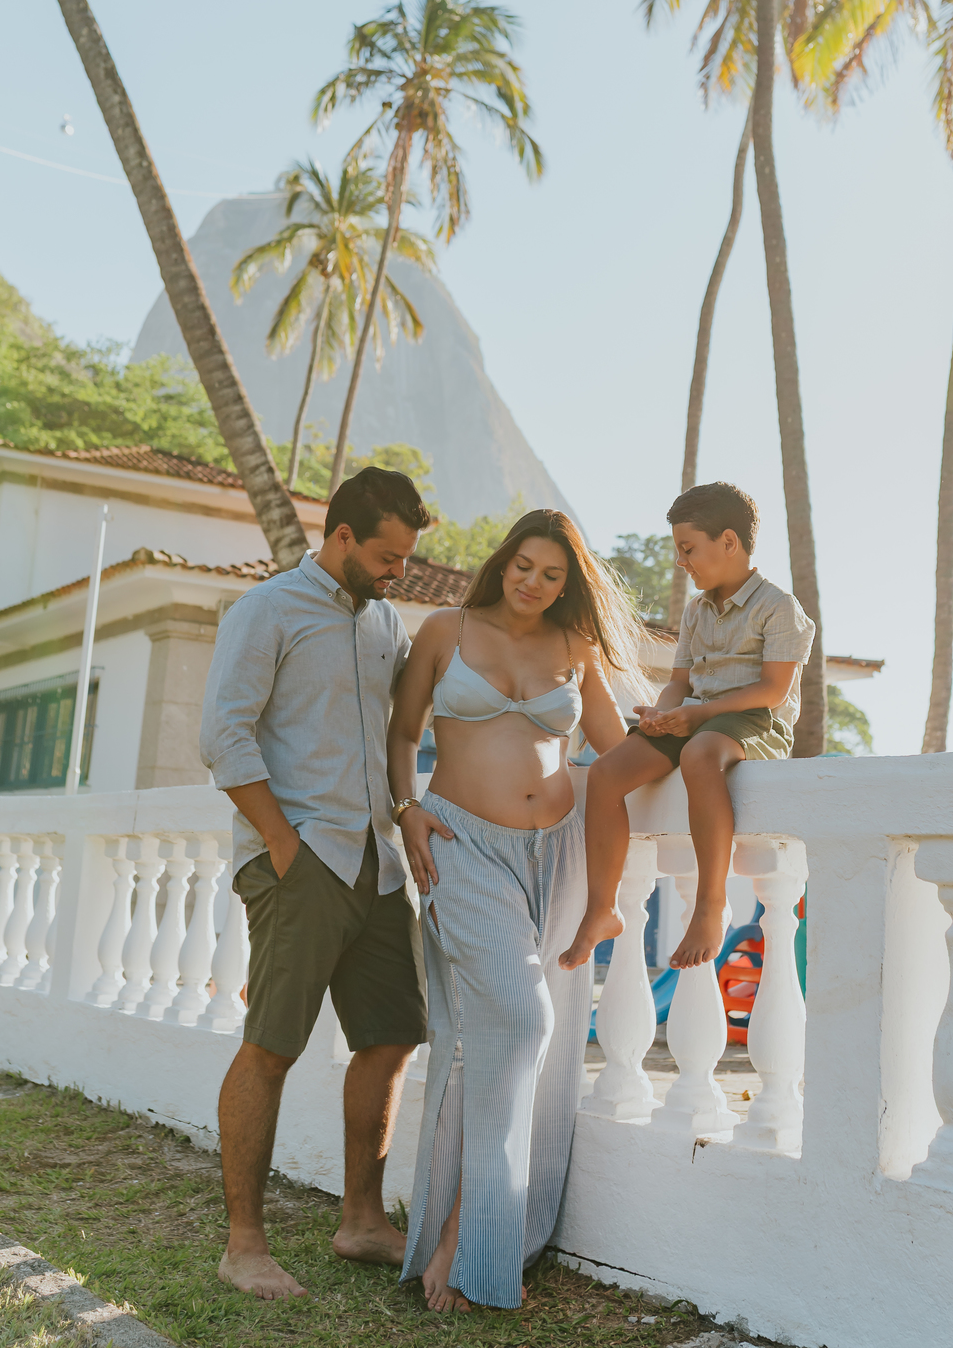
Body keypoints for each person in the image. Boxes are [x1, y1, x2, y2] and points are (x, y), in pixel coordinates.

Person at [387, 510, 641, 1313]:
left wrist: (701, 729)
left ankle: (487, 1234)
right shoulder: (446, 630)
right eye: (524, 566)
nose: (534, 582)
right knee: (522, 1022)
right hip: (461, 843)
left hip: (558, 854)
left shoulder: (577, 648)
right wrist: (406, 808)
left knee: (542, 1045)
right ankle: (464, 1233)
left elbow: (619, 753)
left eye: (552, 574)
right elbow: (402, 733)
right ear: (502, 563)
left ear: (569, 586)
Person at [200, 465, 433, 1301]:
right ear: (341, 537)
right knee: (272, 1046)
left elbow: (405, 730)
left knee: (391, 1036)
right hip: (299, 861)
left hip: (377, 864)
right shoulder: (266, 610)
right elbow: (223, 735)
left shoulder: (386, 623)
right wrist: (281, 842)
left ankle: (361, 1221)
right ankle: (243, 1246)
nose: (397, 571)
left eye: (405, 557)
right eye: (386, 555)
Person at [560, 481, 815, 974]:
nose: (681, 561)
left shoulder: (778, 606)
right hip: (696, 716)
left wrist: (698, 716)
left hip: (753, 720)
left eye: (688, 548)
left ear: (728, 542)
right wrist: (660, 714)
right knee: (606, 772)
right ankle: (602, 908)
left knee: (700, 755)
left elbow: (773, 690)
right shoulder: (697, 609)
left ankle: (710, 906)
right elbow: (679, 683)